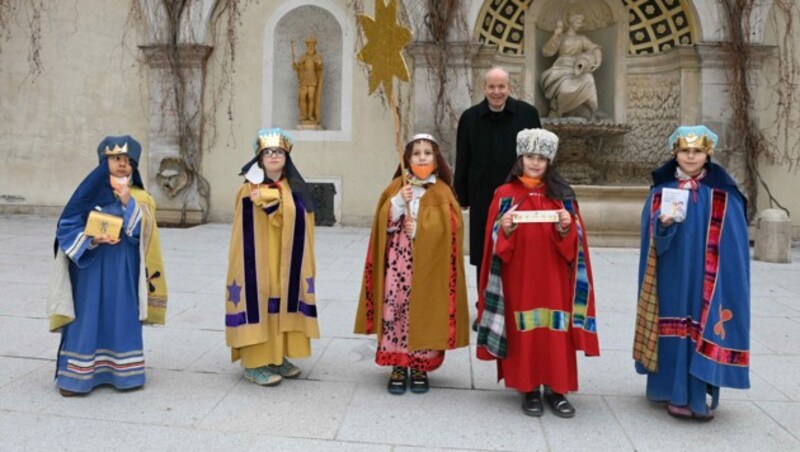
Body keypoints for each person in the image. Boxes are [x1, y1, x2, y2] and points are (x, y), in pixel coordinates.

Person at [476, 128, 599, 418]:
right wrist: (504, 229)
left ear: (549, 162)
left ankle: (557, 389)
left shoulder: (563, 196)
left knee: (556, 330)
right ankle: (528, 388)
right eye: (530, 156)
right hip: (519, 277)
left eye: (541, 158)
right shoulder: (504, 195)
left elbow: (573, 249)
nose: (535, 162)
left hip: (555, 278)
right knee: (525, 330)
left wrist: (567, 227)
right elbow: (495, 247)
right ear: (520, 158)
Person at [633, 125, 750, 421]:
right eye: (685, 151)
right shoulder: (661, 193)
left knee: (703, 324)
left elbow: (735, 245)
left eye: (697, 151)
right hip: (672, 274)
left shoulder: (724, 194)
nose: (691, 156)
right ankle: (673, 392)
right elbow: (652, 245)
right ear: (676, 153)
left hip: (709, 278)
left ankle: (699, 393)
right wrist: (663, 226)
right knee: (674, 326)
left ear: (707, 154)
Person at [48, 135, 168, 396]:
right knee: (87, 315)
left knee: (121, 314)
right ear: (105, 162)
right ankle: (76, 378)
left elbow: (144, 234)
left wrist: (127, 203)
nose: (122, 164)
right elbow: (66, 226)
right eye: (116, 159)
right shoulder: (86, 194)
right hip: (90, 269)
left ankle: (125, 374)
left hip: (122, 269)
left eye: (127, 160)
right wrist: (91, 239)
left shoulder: (140, 198)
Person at [355, 133, 471, 395]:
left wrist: (421, 229)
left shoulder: (442, 190)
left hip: (429, 266)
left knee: (425, 309)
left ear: (436, 159)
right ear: (407, 158)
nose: (422, 157)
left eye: (427, 153)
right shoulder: (397, 186)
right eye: (416, 153)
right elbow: (382, 221)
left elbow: (453, 228)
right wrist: (397, 203)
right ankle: (397, 363)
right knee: (395, 308)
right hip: (398, 263)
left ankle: (419, 364)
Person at [225, 127, 319, 386]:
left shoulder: (293, 187)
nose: (274, 156)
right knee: (261, 299)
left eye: (279, 152)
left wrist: (278, 204)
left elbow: (304, 216)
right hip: (257, 259)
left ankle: (277, 357)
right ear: (260, 158)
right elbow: (247, 225)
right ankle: (255, 362)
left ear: (286, 156)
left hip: (286, 258)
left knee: (281, 298)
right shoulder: (249, 189)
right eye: (268, 153)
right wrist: (268, 202)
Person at [455, 66, 541, 328]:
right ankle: (485, 308)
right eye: (491, 87)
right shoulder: (469, 118)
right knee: (484, 253)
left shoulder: (528, 114)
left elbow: (539, 157)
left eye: (501, 86)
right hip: (484, 197)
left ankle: (516, 305)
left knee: (517, 252)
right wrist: (462, 195)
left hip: (520, 196)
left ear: (509, 87)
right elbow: (463, 158)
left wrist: (539, 189)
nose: (496, 92)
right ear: (484, 88)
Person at [540, 12, 602, 119]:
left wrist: (598, 60)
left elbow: (594, 48)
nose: (580, 25)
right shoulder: (562, 36)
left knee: (589, 79)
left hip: (576, 69)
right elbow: (547, 51)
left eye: (581, 23)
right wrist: (556, 35)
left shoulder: (582, 38)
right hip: (561, 68)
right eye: (578, 22)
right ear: (571, 22)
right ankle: (560, 110)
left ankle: (594, 110)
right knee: (564, 88)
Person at [292, 35, 324, 125]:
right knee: (302, 97)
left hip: (313, 79)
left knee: (311, 97)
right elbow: (299, 69)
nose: (310, 47)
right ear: (307, 47)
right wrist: (296, 67)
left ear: (314, 47)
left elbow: (320, 67)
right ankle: (304, 115)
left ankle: (311, 116)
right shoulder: (303, 57)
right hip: (304, 79)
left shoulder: (317, 57)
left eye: (312, 46)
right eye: (309, 46)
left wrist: (319, 64)